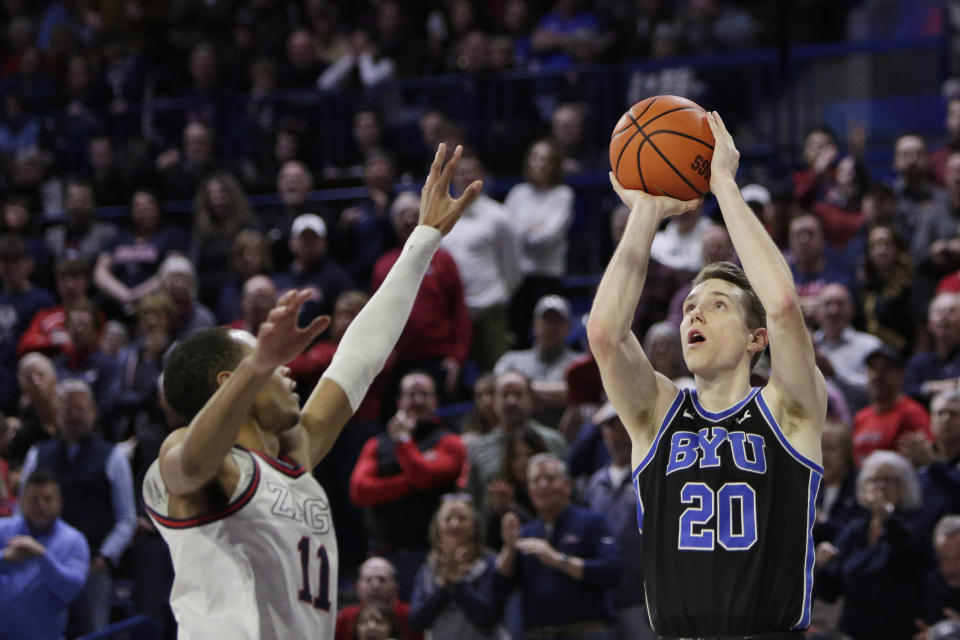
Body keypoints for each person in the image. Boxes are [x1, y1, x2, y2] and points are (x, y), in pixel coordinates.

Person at [140, 144, 481, 639]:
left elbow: (360, 357)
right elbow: (190, 462)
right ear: (230, 384)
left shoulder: (293, 457)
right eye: (267, 365)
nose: (286, 372)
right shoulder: (183, 460)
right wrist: (259, 363)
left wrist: (423, 239)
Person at [587, 111, 827, 636]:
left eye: (717, 305)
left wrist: (724, 186)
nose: (693, 314)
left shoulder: (787, 409)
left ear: (754, 339)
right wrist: (646, 211)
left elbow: (783, 304)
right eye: (690, 305)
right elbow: (605, 333)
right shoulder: (657, 413)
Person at [20, 379, 137, 635]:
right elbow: (23, 511)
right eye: (67, 408)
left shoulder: (113, 456)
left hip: (92, 566)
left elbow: (126, 519)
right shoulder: (38, 455)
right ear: (56, 412)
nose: (74, 415)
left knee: (91, 631)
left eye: (80, 408)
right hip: (42, 564)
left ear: (93, 412)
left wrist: (105, 557)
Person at [350, 372, 467, 599]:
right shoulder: (376, 444)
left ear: (436, 400)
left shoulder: (450, 442)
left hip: (431, 553)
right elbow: (359, 491)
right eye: (411, 394)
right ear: (399, 401)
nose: (418, 400)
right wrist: (410, 482)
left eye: (425, 394)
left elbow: (427, 478)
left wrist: (404, 441)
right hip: (384, 552)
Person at [495, 454, 621, 639]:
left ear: (567, 486)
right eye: (536, 480)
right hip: (538, 633)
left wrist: (557, 560)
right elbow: (500, 587)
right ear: (529, 489)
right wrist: (508, 547)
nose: (543, 485)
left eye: (550, 479)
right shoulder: (527, 532)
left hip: (586, 631)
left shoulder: (592, 521)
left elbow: (612, 571)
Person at [814, 450, 928, 640]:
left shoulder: (914, 524)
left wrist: (888, 518)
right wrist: (822, 566)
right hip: (854, 632)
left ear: (905, 487)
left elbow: (909, 553)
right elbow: (831, 592)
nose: (881, 486)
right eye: (874, 480)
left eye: (890, 480)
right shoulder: (855, 530)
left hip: (899, 633)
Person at [0, 468, 89, 640]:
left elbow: (71, 591)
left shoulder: (74, 540)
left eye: (47, 499)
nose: (41, 506)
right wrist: (4, 556)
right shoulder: (3, 529)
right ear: (22, 501)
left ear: (60, 502)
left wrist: (42, 556)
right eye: (34, 500)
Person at [409, 495, 507, 640]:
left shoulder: (490, 564)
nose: (455, 525)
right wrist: (443, 587)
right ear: (438, 527)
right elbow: (416, 622)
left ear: (475, 525)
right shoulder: (428, 569)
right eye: (448, 519)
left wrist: (458, 582)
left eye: (462, 518)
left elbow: (487, 617)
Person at [335, 557, 420, 640]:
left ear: (395, 586)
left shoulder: (410, 615)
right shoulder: (345, 617)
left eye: (382, 580)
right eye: (368, 580)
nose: (375, 585)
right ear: (358, 587)